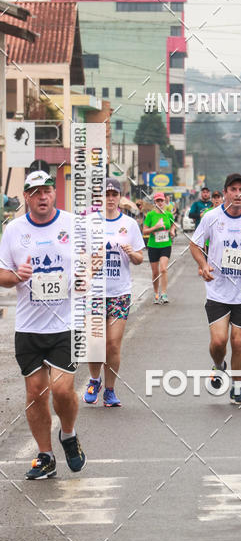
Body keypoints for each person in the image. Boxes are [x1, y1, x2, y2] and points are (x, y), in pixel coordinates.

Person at [0, 170, 86, 479]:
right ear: (26, 196)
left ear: (54, 193)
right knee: (36, 393)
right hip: (29, 327)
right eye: (35, 192)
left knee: (62, 390)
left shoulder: (72, 225)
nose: (42, 196)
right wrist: (17, 276)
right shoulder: (13, 231)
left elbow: (92, 260)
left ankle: (69, 434)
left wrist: (84, 276)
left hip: (65, 325)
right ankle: (45, 455)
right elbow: (2, 274)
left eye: (47, 190)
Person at [190, 173, 241, 404]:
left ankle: (237, 387)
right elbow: (195, 244)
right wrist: (203, 264)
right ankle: (219, 366)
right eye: (233, 189)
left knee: (237, 341)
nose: (237, 194)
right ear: (225, 192)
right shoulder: (211, 217)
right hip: (217, 288)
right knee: (218, 341)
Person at [83, 178, 145, 408]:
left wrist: (131, 253)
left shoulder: (129, 225)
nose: (110, 198)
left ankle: (109, 390)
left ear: (120, 197)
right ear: (100, 197)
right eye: (106, 194)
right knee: (94, 342)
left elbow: (140, 259)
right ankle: (94, 380)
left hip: (120, 292)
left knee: (113, 344)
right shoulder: (88, 223)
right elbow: (78, 254)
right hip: (94, 292)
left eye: (114, 194)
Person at [143, 191, 176, 304]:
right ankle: (156, 293)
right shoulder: (150, 215)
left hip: (166, 245)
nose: (160, 202)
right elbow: (145, 230)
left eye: (162, 200)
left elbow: (173, 224)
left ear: (164, 201)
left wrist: (172, 231)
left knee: (163, 269)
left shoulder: (168, 214)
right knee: (155, 272)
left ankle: (164, 294)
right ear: (155, 202)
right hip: (153, 246)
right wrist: (155, 227)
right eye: (158, 201)